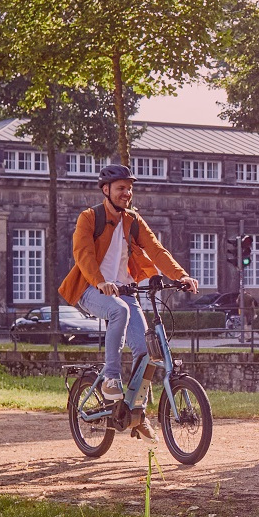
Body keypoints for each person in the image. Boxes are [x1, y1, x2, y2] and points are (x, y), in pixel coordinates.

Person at [58, 164, 201, 437]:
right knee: (119, 312)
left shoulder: (133, 220)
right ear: (106, 190)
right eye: (121, 188)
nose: (127, 193)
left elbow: (157, 250)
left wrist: (181, 276)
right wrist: (100, 281)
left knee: (148, 351)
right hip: (90, 290)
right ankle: (111, 377)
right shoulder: (89, 218)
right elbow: (83, 254)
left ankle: (137, 412)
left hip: (125, 292)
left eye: (130, 188)